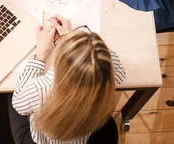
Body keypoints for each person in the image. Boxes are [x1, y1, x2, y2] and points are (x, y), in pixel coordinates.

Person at [10, 15, 126, 144]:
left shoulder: (40, 89)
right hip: (84, 134)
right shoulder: (108, 68)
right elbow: (119, 74)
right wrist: (69, 38)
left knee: (10, 93)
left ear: (59, 62)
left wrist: (40, 55)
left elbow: (18, 104)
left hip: (44, 139)